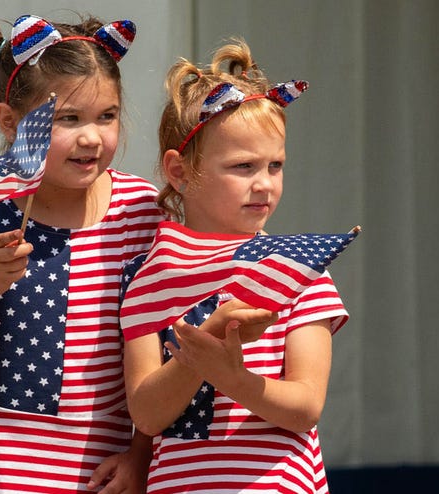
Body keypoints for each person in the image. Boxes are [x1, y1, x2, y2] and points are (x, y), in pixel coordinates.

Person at [0, 14, 167, 493]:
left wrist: (140, 456)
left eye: (106, 116)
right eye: (68, 118)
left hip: (90, 478)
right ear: (9, 121)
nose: (92, 137)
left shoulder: (143, 214)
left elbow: (160, 360)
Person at [121, 39, 350, 493]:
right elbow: (146, 413)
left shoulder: (298, 268)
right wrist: (205, 348)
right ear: (180, 172)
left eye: (276, 166)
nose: (264, 184)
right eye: (243, 166)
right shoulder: (151, 275)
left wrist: (232, 376)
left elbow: (306, 406)